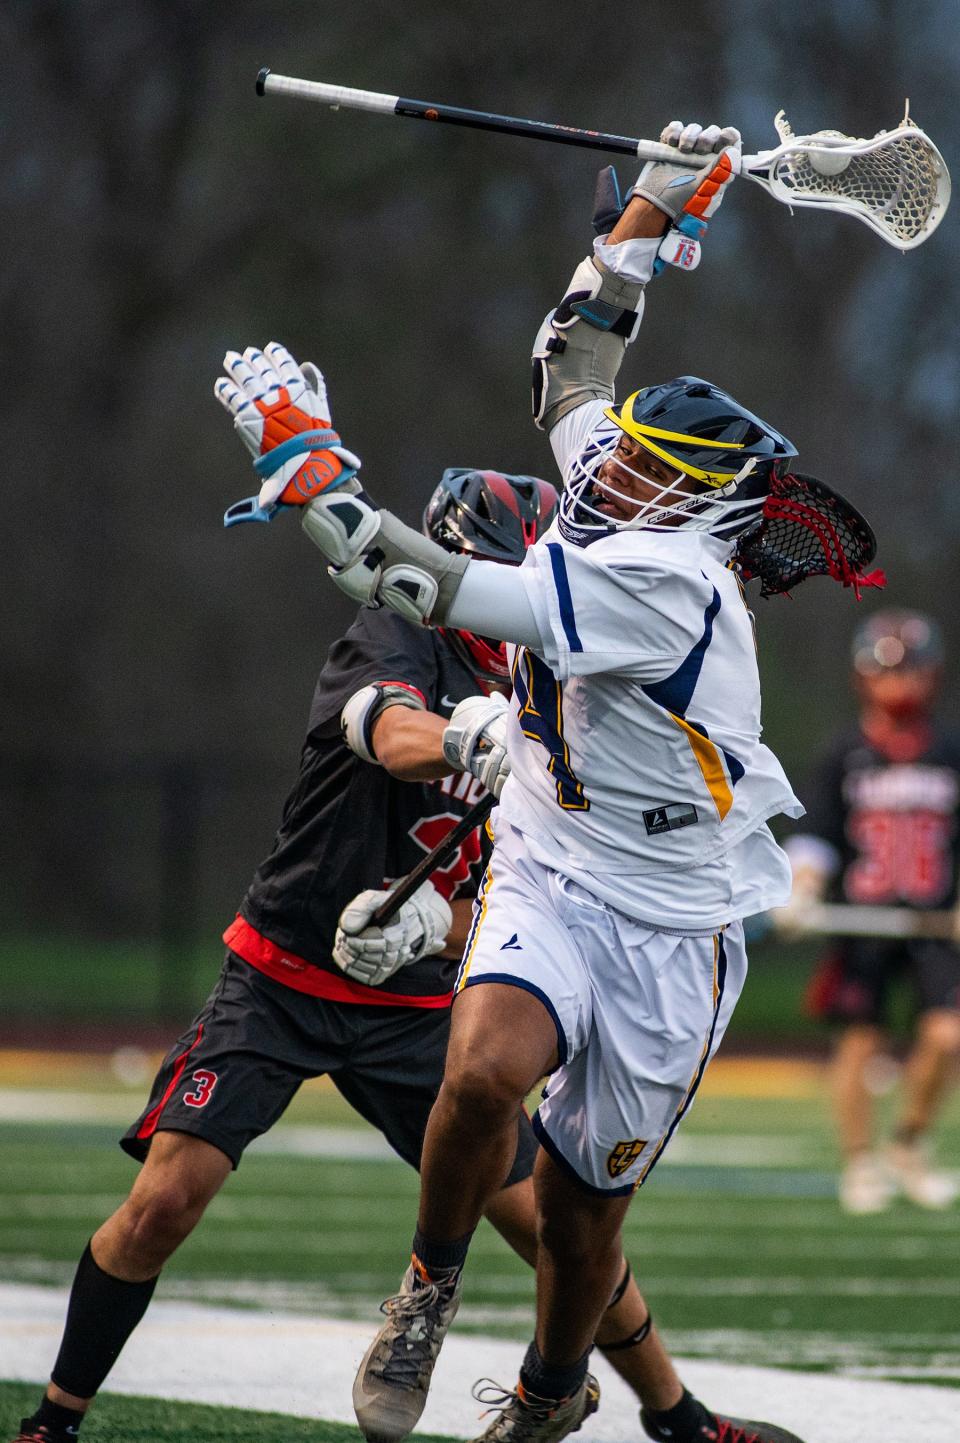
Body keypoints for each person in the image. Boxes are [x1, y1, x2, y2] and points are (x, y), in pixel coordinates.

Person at [219, 119, 880, 1443]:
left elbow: (412, 576)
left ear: (703, 508)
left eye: (650, 467)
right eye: (628, 451)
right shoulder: (640, 497)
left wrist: (306, 463)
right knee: (478, 1071)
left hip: (672, 915)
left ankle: (552, 1386)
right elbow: (574, 366)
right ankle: (425, 1288)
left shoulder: (662, 581)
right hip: (554, 857)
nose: (610, 465)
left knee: (584, 1221)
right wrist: (645, 216)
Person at [10, 464, 707, 1443]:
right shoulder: (403, 630)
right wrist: (478, 739)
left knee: (553, 1222)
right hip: (285, 972)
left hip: (419, 999)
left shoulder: (567, 686)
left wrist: (443, 929)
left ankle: (678, 1414)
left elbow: (533, 895)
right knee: (165, 1201)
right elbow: (383, 728)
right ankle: (54, 1420)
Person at [781, 609, 960, 1215]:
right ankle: (860, 1161)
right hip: (864, 922)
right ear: (863, 677)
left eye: (912, 670)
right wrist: (804, 886)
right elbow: (819, 833)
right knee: (859, 1042)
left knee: (947, 1034)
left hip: (936, 923)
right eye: (888, 670)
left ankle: (907, 1144)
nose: (900, 683)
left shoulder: (950, 751)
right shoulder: (845, 752)